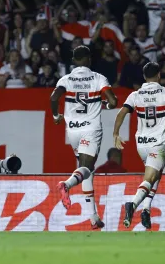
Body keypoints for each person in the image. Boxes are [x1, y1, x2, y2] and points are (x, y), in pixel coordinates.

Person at [50, 45, 118, 230]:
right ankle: (66, 184)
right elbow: (113, 101)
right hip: (91, 129)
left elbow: (54, 98)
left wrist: (56, 116)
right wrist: (107, 105)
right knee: (86, 168)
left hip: (72, 131)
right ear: (89, 59)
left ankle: (93, 217)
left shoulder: (66, 79)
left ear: (73, 61)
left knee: (85, 169)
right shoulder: (98, 78)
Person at [113, 62, 165, 230]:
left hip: (142, 145)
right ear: (159, 75)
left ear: (144, 77)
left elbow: (121, 113)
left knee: (156, 174)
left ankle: (146, 209)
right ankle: (133, 203)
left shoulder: (135, 95)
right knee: (150, 178)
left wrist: (115, 133)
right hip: (158, 143)